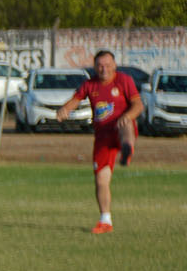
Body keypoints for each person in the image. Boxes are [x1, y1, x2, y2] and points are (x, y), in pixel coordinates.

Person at [59, 49, 143, 233]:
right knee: (101, 179)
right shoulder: (90, 85)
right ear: (95, 67)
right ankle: (105, 220)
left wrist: (128, 115)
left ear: (114, 65)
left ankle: (127, 148)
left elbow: (138, 105)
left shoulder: (124, 80)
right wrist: (65, 109)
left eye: (107, 65)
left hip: (121, 129)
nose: (104, 69)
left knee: (125, 124)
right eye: (100, 66)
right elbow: (75, 99)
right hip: (102, 137)